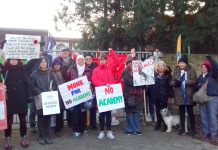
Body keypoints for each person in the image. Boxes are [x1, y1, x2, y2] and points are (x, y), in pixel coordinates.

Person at [2, 59, 29, 149]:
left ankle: (23, 137)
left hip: (21, 97)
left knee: (23, 120)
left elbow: (33, 61)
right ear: (8, 60)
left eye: (15, 59)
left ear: (18, 60)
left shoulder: (23, 68)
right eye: (11, 59)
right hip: (10, 98)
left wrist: (36, 48)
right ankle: (7, 138)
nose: (13, 61)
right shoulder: (5, 69)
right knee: (9, 121)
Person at [92, 50, 118, 140]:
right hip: (101, 95)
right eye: (100, 59)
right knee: (102, 114)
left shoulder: (110, 68)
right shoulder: (96, 70)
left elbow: (117, 62)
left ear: (106, 60)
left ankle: (109, 131)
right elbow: (94, 80)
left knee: (108, 114)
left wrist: (112, 52)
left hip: (109, 94)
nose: (102, 61)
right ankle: (102, 131)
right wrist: (104, 84)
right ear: (99, 61)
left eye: (103, 59)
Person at [64, 55, 92, 138]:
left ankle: (83, 128)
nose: (81, 61)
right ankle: (76, 129)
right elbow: (67, 78)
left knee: (83, 111)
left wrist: (89, 83)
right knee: (75, 112)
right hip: (75, 94)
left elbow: (91, 79)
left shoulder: (88, 70)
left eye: (82, 60)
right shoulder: (72, 69)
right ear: (76, 61)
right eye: (79, 60)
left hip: (84, 94)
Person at [31, 58, 57, 145]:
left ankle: (47, 136)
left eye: (45, 61)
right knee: (41, 119)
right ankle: (41, 136)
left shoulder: (50, 73)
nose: (43, 63)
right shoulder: (34, 74)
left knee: (48, 118)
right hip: (40, 98)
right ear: (39, 63)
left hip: (49, 99)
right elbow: (33, 86)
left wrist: (52, 91)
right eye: (42, 62)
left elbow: (54, 84)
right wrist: (40, 93)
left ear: (47, 63)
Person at [171, 55, 197, 136]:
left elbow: (194, 80)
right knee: (181, 113)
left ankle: (193, 129)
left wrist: (183, 82)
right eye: (180, 63)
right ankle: (182, 129)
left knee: (190, 113)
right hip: (179, 95)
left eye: (183, 63)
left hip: (188, 94)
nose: (181, 64)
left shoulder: (191, 70)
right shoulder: (175, 71)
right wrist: (174, 83)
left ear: (186, 63)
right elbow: (171, 81)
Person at [198, 57, 218, 144]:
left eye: (205, 67)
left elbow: (216, 68)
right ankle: (206, 133)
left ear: (209, 68)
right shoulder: (200, 76)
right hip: (203, 99)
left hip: (212, 98)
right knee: (204, 117)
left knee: (212, 117)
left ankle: (213, 135)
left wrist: (211, 60)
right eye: (202, 67)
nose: (203, 68)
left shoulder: (213, 75)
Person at [122, 59, 143, 135]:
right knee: (129, 113)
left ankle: (137, 129)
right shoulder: (125, 72)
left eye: (131, 63)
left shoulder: (140, 72)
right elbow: (130, 82)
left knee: (136, 113)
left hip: (138, 96)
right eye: (128, 64)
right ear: (126, 65)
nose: (130, 65)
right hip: (128, 96)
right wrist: (138, 77)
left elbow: (143, 84)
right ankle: (130, 129)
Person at [151, 61, 172, 131]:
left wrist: (169, 96)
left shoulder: (167, 76)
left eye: (162, 66)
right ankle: (158, 124)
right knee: (157, 111)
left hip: (164, 96)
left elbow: (170, 87)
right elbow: (152, 86)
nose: (160, 67)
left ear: (164, 67)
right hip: (156, 96)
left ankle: (166, 125)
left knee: (164, 111)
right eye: (159, 66)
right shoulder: (154, 76)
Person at [52, 57, 65, 137]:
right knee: (57, 112)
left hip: (63, 95)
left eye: (58, 64)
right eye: (55, 64)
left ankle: (60, 126)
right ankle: (57, 129)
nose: (57, 66)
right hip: (55, 95)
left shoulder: (63, 72)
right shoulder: (50, 73)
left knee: (61, 112)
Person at [84, 53, 98, 130]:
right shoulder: (83, 67)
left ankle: (93, 124)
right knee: (85, 107)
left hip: (94, 89)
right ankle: (85, 124)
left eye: (89, 59)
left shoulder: (96, 67)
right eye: (86, 59)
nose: (88, 60)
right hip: (85, 90)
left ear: (92, 60)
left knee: (93, 107)